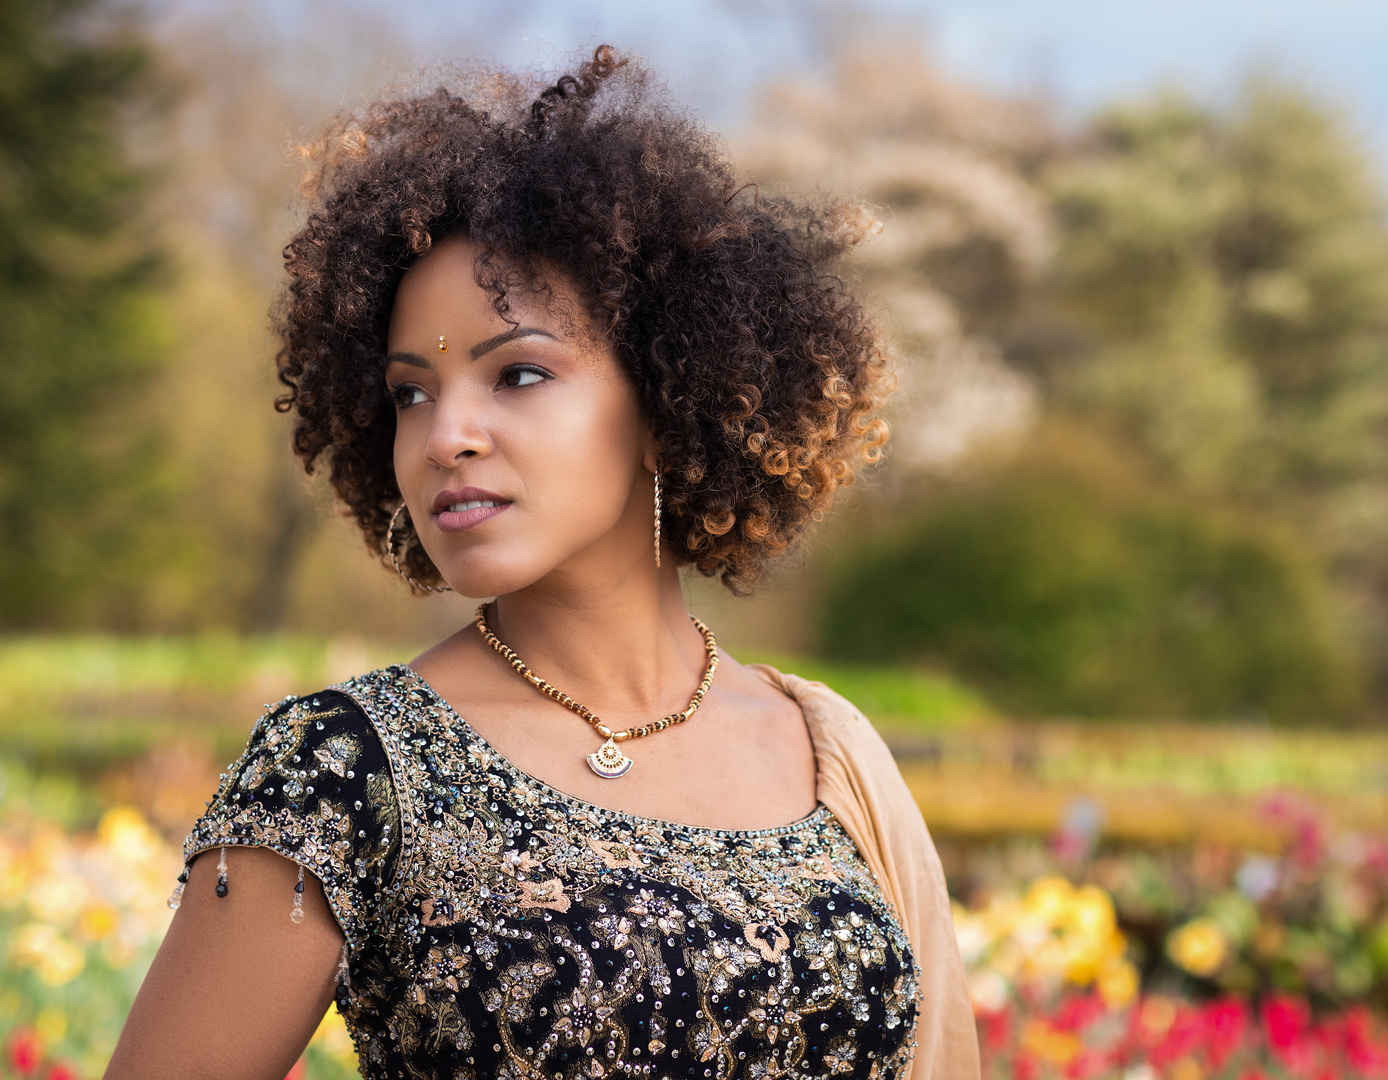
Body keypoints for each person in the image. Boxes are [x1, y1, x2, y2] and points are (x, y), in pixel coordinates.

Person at [106, 45, 978, 1080]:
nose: (447, 436)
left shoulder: (834, 756)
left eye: (517, 373)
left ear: (667, 401)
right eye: (409, 393)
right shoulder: (342, 773)